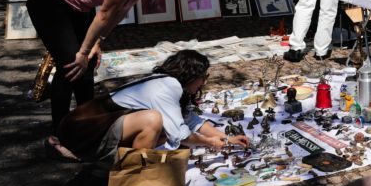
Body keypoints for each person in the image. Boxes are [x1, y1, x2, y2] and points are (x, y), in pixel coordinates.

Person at [26, 0, 192, 159]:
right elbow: (104, 13)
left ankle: (85, 126)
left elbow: (119, 12)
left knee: (87, 68)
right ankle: (60, 133)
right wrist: (83, 51)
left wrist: (98, 43)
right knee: (70, 66)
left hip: (78, 8)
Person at [57, 49, 248, 165]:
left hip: (90, 128)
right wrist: (211, 143)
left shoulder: (174, 87)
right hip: (80, 130)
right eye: (204, 77)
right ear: (191, 75)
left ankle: (113, 166)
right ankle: (135, 175)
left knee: (164, 130)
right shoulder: (167, 86)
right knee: (153, 120)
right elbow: (181, 134)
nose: (204, 82)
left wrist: (226, 138)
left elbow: (191, 121)